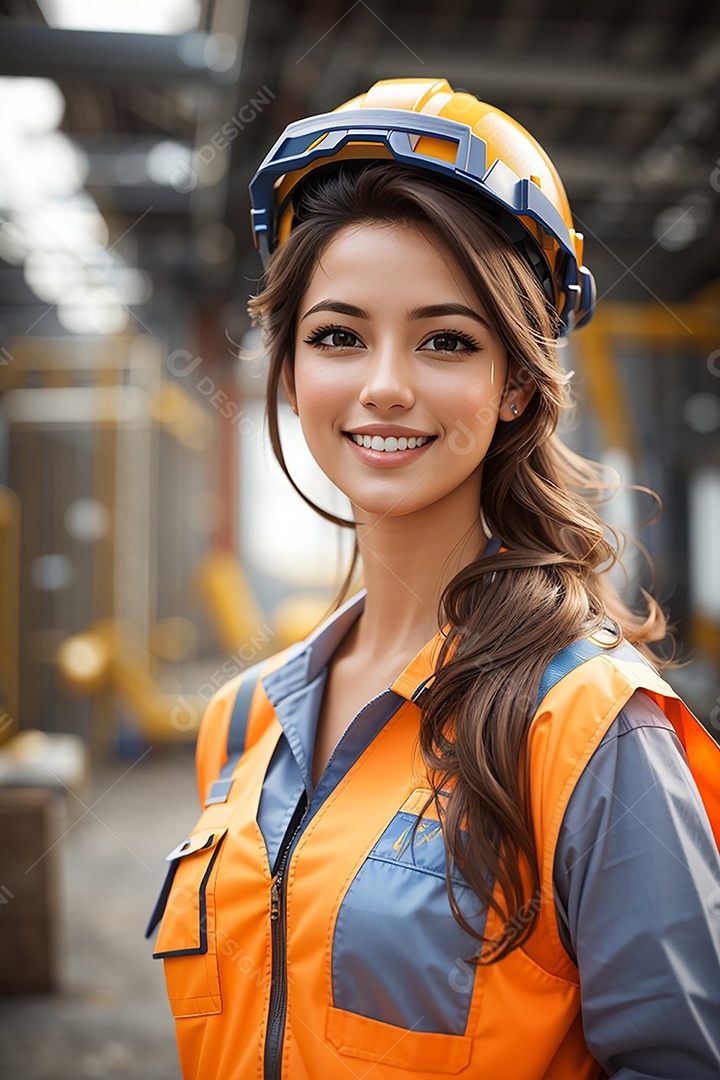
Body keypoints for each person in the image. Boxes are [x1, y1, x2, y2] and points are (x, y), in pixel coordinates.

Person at [147, 78, 720, 1080]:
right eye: (338, 335)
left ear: (515, 383)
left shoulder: (588, 729)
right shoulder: (242, 723)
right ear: (291, 371)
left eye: (445, 340)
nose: (384, 386)